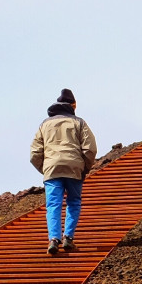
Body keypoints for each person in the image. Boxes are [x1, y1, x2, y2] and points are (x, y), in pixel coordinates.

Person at [29, 88, 97, 255]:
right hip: (74, 168)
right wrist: (84, 168)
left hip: (52, 170)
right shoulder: (79, 123)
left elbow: (34, 154)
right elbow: (90, 149)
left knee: (53, 205)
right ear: (72, 105)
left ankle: (53, 239)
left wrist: (46, 169)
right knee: (73, 202)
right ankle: (68, 238)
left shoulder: (44, 124)